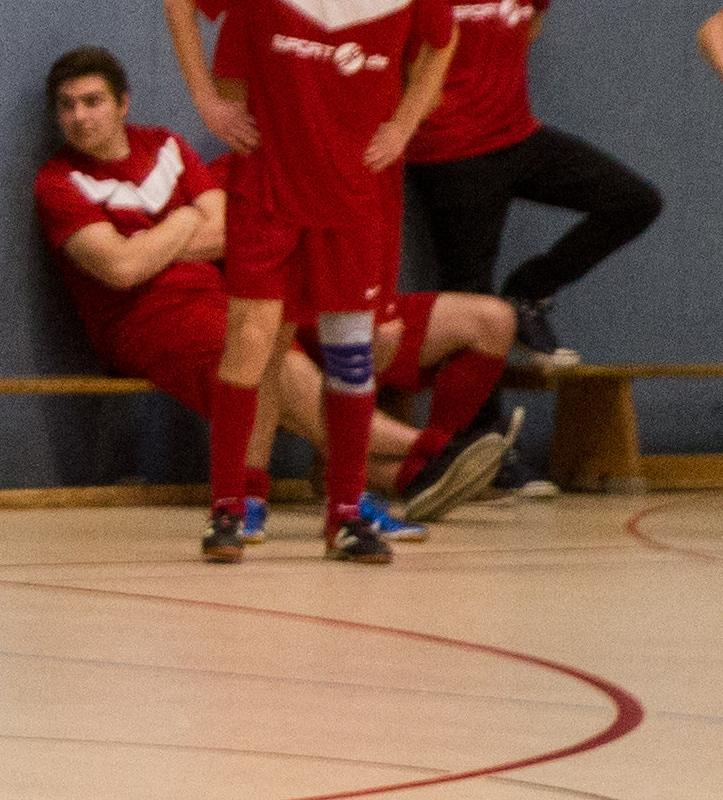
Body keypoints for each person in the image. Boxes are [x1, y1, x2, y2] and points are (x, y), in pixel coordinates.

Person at [36, 51, 510, 527]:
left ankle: (416, 473)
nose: (80, 117)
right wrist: (183, 220)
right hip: (150, 322)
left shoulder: (165, 144)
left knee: (481, 321)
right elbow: (121, 269)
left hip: (243, 300)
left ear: (122, 103)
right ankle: (435, 451)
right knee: (271, 358)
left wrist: (150, 242)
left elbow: (224, 230)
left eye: (92, 101)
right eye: (67, 106)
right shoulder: (59, 183)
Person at [165, 0, 460, 566]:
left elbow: (441, 41)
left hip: (354, 194)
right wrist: (209, 105)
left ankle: (346, 516)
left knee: (351, 356)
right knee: (250, 340)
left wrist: (404, 122)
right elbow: (181, 1)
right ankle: (228, 508)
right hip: (268, 185)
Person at [406, 0, 658, 365]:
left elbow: (531, 19)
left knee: (634, 202)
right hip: (450, 148)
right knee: (469, 306)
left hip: (516, 133)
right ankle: (482, 422)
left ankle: (527, 292)